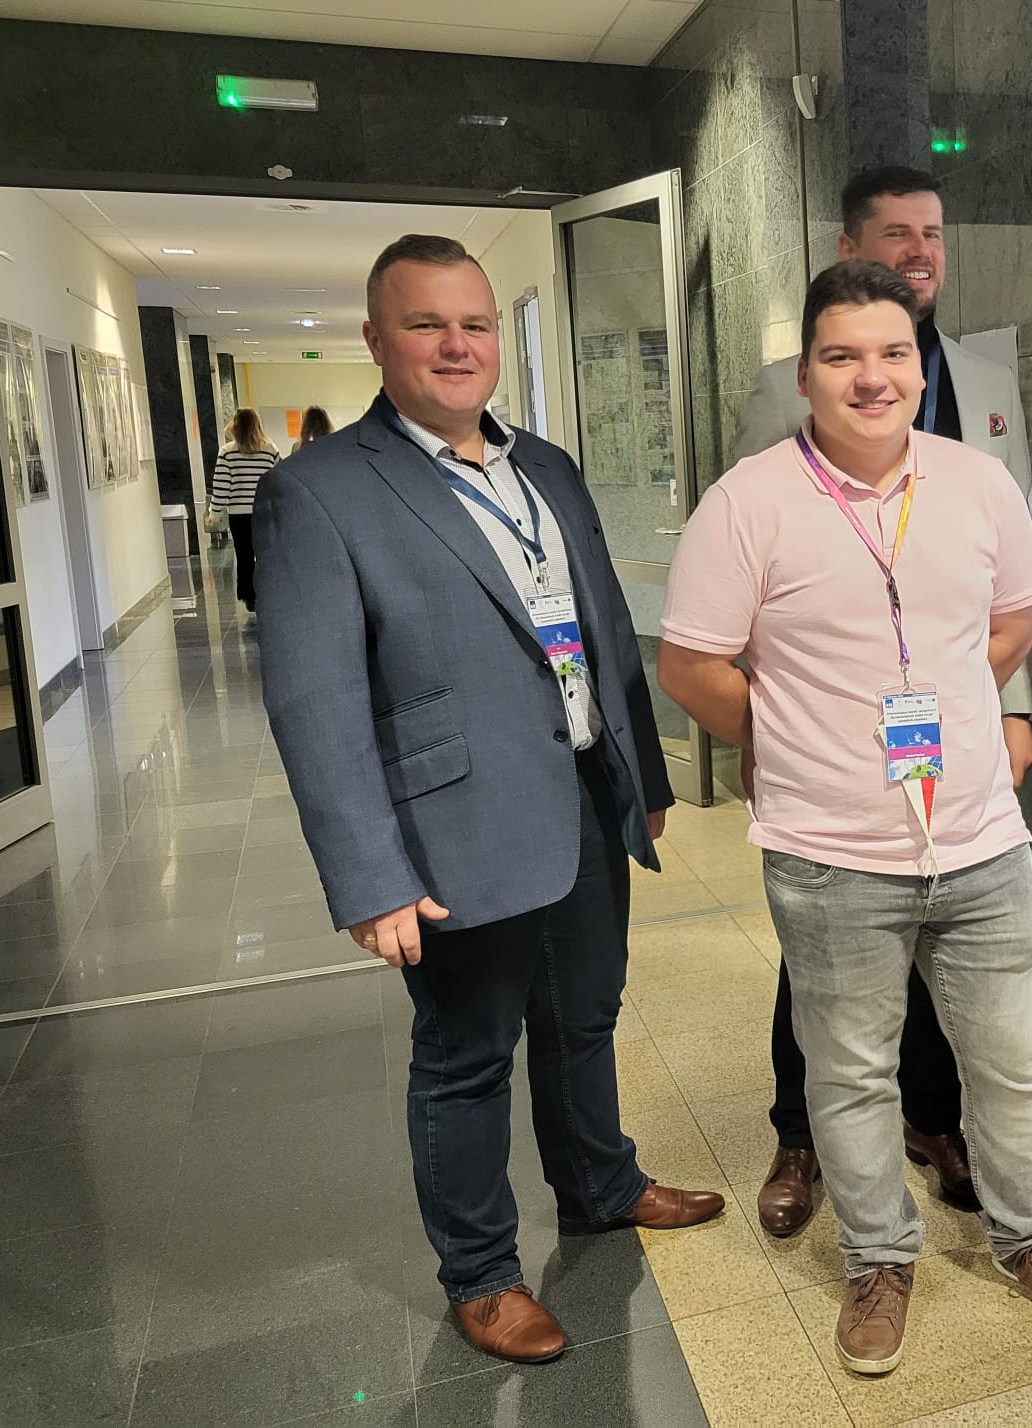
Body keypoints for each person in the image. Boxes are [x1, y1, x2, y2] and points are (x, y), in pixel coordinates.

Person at [254, 234, 721, 1367]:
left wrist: (644, 776)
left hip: (582, 794)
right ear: (378, 341)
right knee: (467, 1054)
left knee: (586, 1014)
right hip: (451, 824)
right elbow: (314, 702)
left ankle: (600, 1184)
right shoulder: (318, 490)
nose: (456, 345)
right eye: (426, 324)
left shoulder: (545, 467)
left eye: (473, 323)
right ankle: (481, 1272)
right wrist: (370, 877)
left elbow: (603, 631)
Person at [658, 260, 1032, 1377]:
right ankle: (877, 1259)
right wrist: (792, 738)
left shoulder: (978, 482)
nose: (872, 377)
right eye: (843, 356)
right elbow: (690, 664)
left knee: (1011, 1060)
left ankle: (1030, 1234)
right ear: (805, 374)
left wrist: (953, 709)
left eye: (893, 353)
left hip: (981, 840)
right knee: (852, 1073)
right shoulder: (748, 501)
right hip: (830, 855)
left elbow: (1011, 624)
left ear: (920, 363)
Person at [733, 167, 1032, 1239]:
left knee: (953, 945)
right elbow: (755, 592)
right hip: (833, 755)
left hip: (961, 735)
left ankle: (933, 1121)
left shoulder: (987, 373)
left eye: (933, 235)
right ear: (848, 248)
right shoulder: (782, 390)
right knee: (828, 959)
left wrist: (1010, 708)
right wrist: (776, 731)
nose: (919, 253)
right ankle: (800, 1135)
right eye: (896, 234)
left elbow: (1005, 587)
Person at [207, 408, 279, 614]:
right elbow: (277, 480)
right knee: (266, 554)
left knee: (244, 555)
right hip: (264, 512)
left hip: (239, 514)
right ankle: (269, 591)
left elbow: (222, 485)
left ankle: (249, 595)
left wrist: (214, 513)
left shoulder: (227, 452)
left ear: (235, 426)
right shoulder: (270, 449)